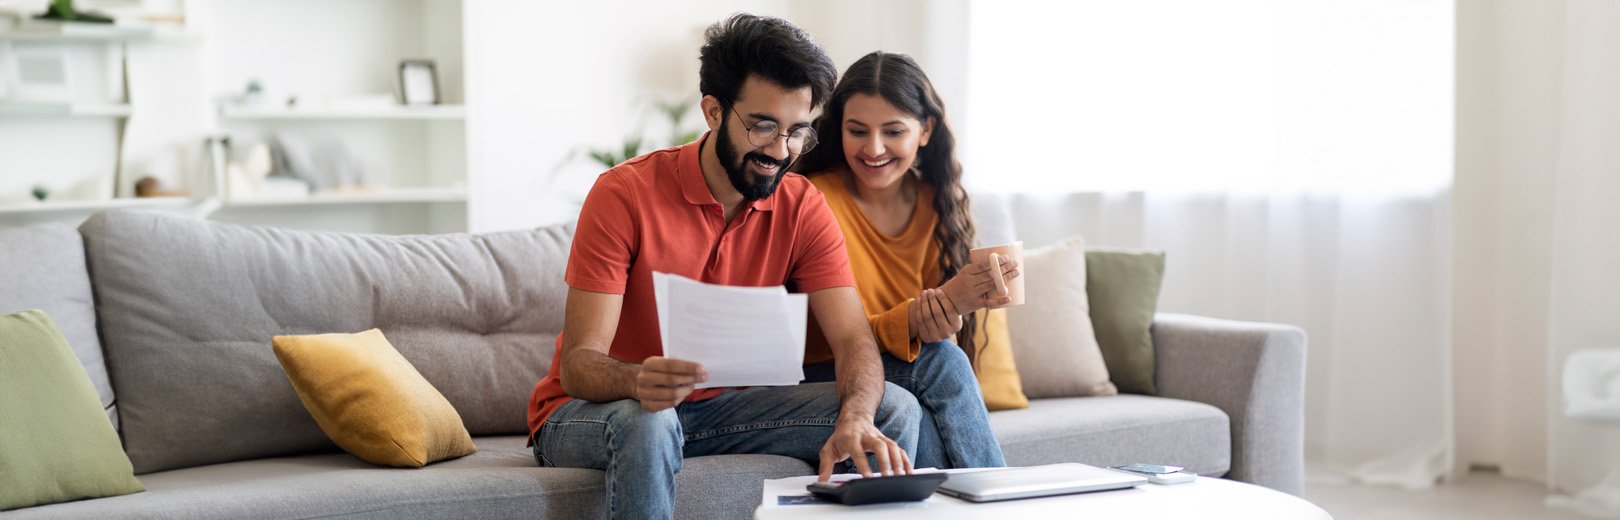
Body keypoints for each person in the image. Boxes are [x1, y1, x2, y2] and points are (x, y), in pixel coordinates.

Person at [526, 15, 920, 520]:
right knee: (651, 420)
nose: (781, 151)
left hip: (718, 411)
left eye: (797, 131)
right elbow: (579, 365)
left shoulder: (803, 206)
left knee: (892, 409)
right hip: (595, 412)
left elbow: (853, 341)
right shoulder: (624, 194)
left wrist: (857, 416)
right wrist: (639, 380)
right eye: (763, 126)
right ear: (713, 111)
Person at [794, 51, 1015, 470]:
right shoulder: (813, 198)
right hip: (828, 370)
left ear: (926, 130)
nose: (873, 148)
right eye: (857, 131)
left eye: (893, 131)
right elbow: (836, 339)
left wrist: (944, 318)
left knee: (927, 400)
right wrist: (916, 321)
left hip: (904, 373)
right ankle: (1000, 500)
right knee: (943, 362)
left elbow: (929, 345)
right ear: (837, 128)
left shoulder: (937, 205)